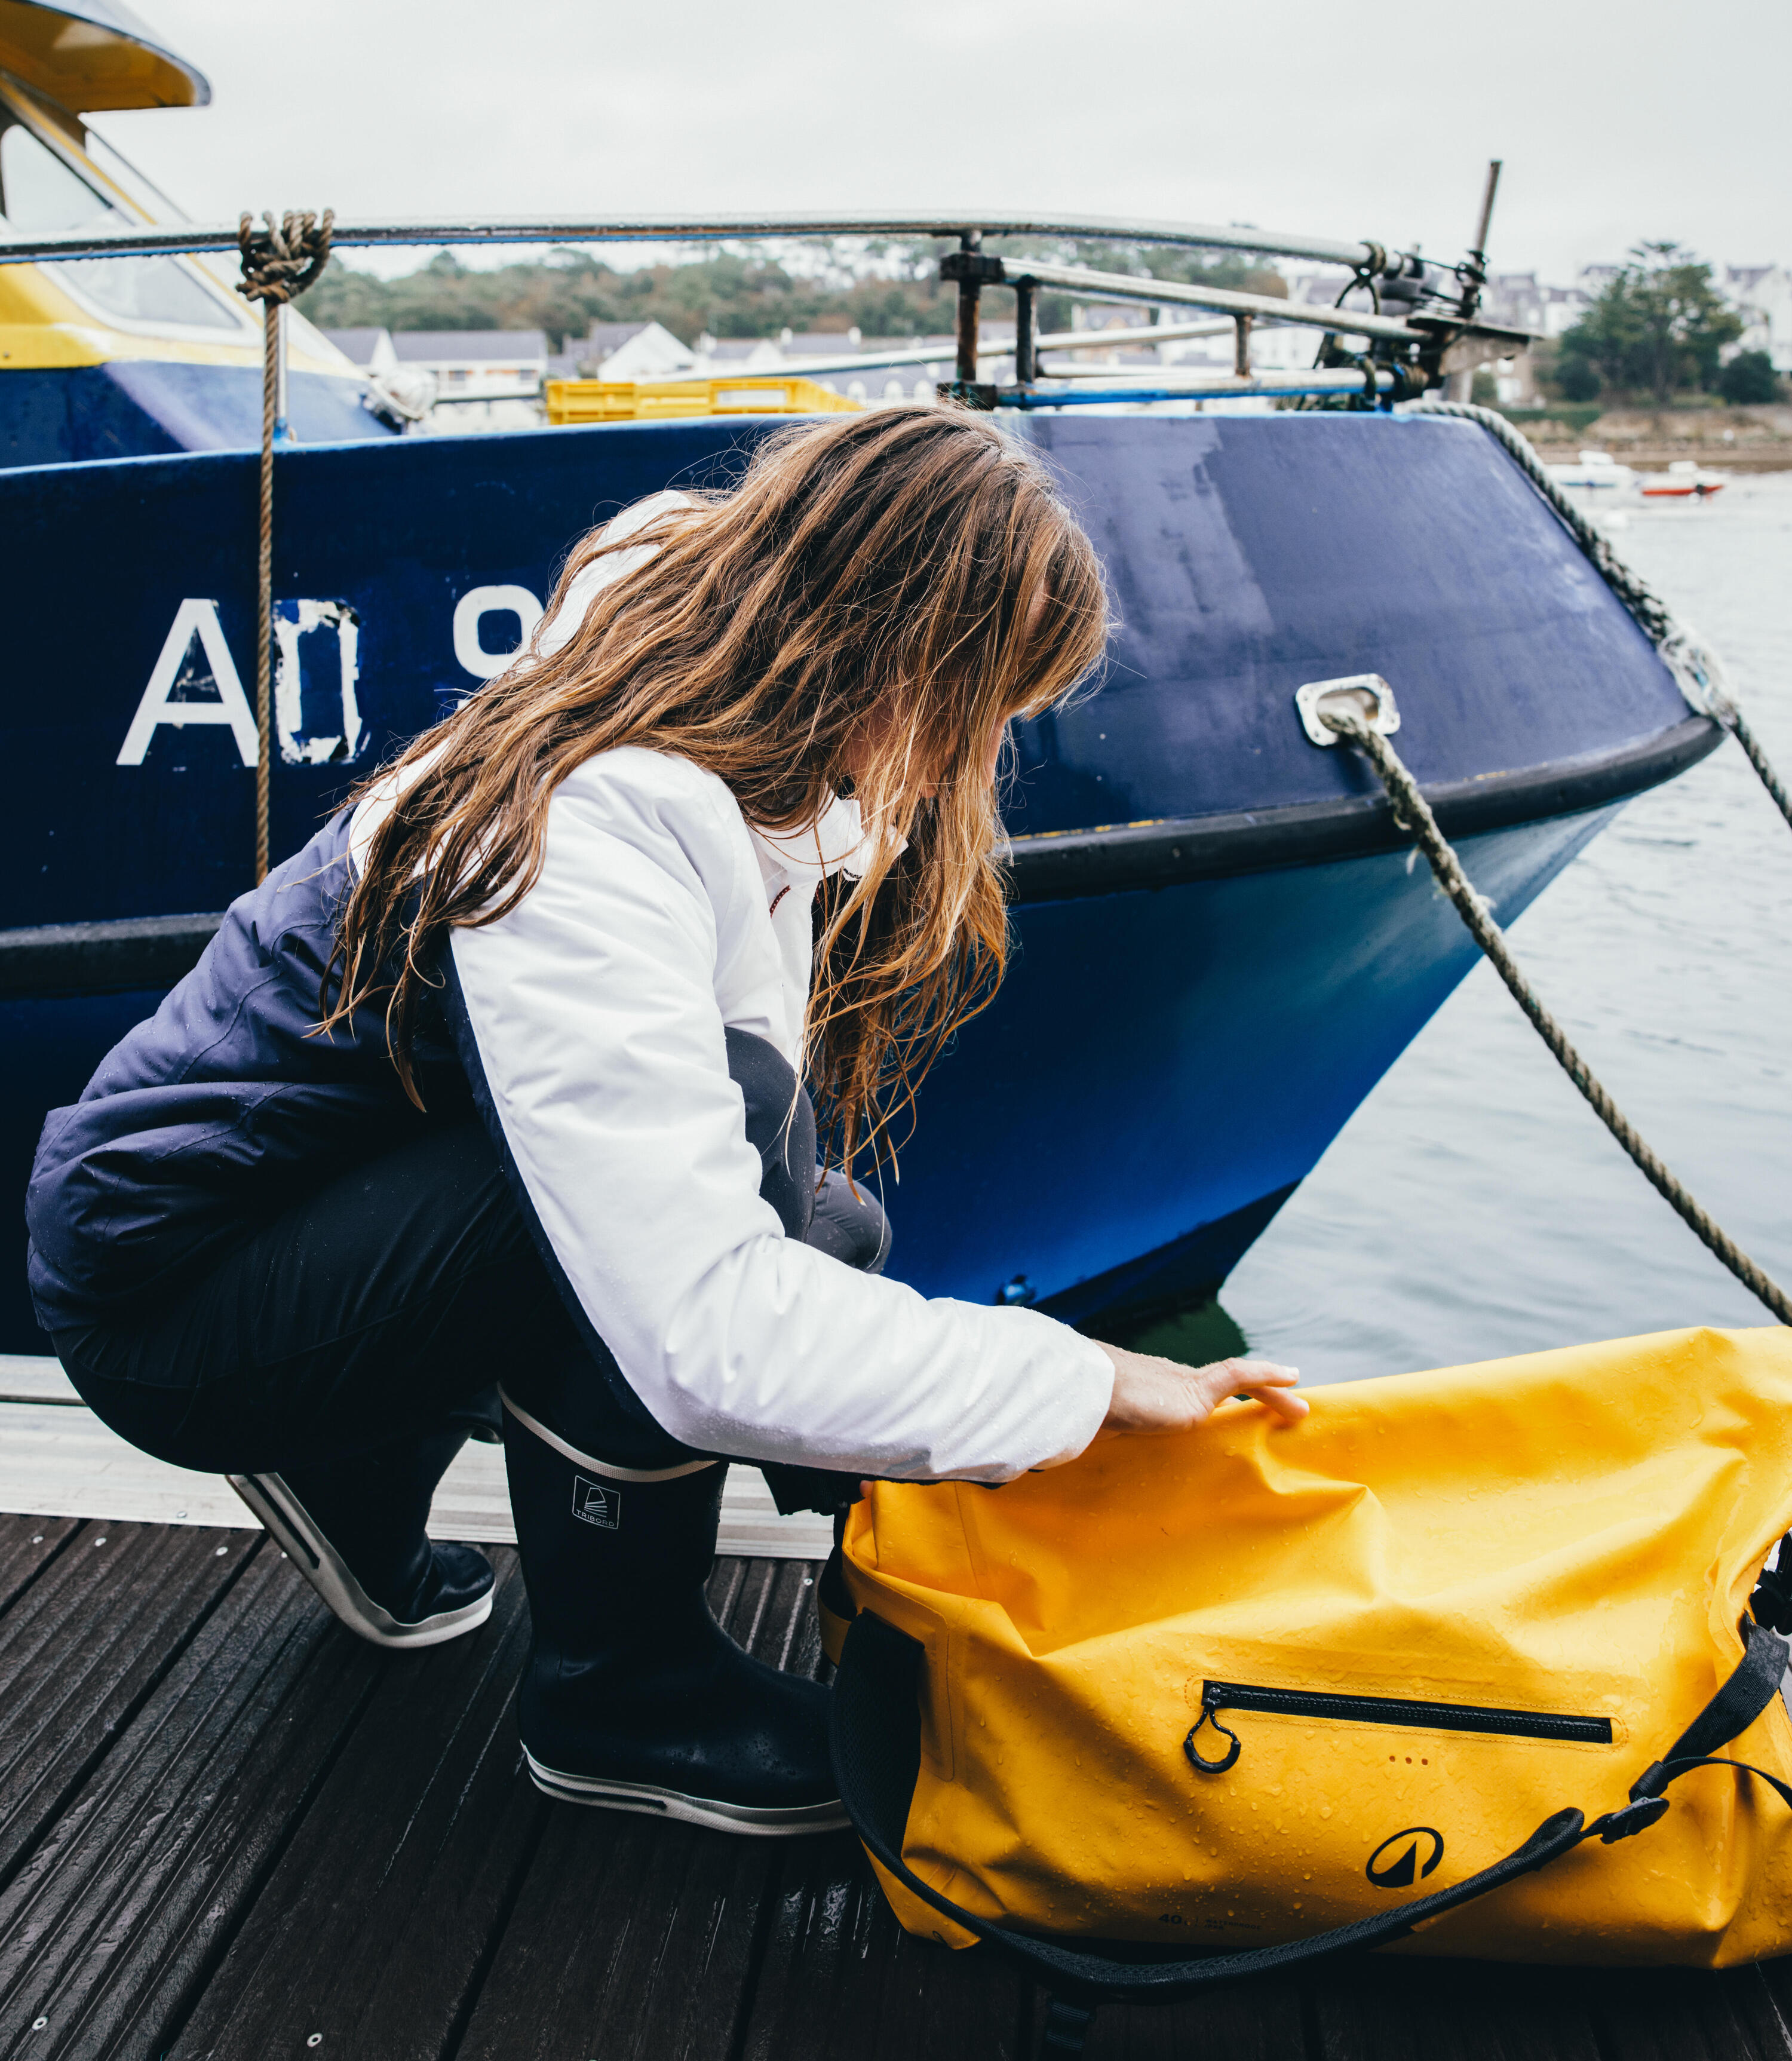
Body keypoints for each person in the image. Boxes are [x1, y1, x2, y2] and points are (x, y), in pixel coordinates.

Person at [27, 406, 1305, 1836]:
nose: (980, 754)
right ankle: (622, 1697)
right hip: (174, 1294)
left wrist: (903, 1447)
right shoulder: (586, 826)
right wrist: (1078, 1383)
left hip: (292, 1214)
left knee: (825, 1217)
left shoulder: (734, 713)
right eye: (984, 702)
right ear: (891, 656)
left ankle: (352, 1452)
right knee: (689, 1219)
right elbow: (697, 1323)